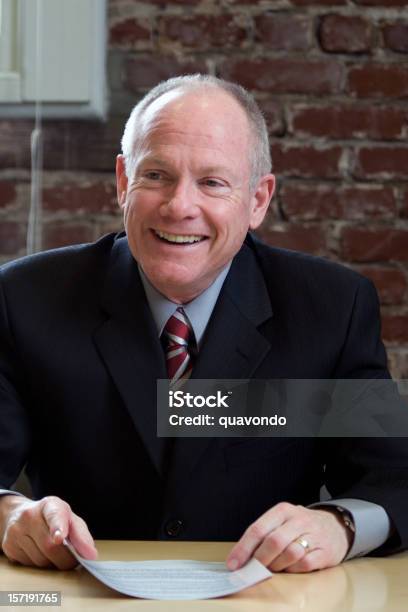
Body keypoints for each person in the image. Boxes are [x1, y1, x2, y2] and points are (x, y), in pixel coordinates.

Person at [0, 75, 407, 574]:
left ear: (258, 200)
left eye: (212, 182)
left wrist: (340, 524)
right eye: (156, 176)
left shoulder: (331, 308)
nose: (179, 206)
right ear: (124, 182)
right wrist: (10, 513)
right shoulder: (24, 299)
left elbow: (395, 481)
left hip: (268, 601)